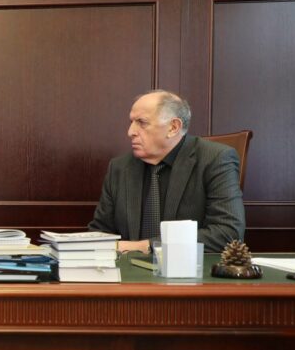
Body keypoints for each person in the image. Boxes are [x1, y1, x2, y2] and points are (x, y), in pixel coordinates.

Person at [88, 90, 245, 253]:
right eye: (132, 122)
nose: (130, 132)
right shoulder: (120, 167)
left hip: (187, 267)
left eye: (142, 122)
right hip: (126, 267)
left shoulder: (215, 159)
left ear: (173, 127)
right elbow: (100, 232)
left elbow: (228, 233)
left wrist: (146, 246)